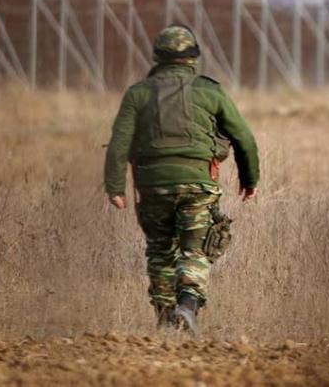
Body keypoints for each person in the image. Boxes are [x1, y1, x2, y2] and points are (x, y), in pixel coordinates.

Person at [104, 25, 260, 334]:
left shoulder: (138, 93)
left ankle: (165, 320)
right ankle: (187, 306)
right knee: (195, 250)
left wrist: (115, 186)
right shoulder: (210, 91)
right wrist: (249, 179)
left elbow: (120, 141)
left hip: (152, 185)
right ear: (193, 58)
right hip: (197, 185)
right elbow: (243, 137)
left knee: (161, 250)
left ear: (158, 57)